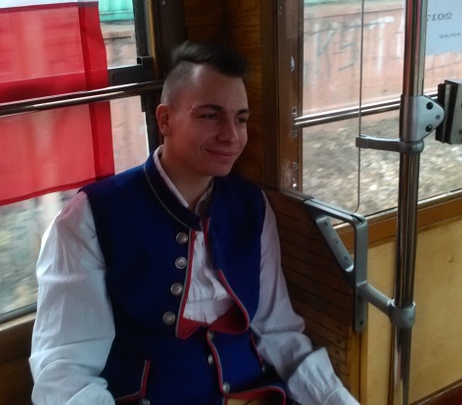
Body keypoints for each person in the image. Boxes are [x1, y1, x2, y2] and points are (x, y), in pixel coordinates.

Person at [29, 41, 359, 405]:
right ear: (165, 120)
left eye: (241, 119)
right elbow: (65, 370)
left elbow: (278, 331)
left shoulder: (252, 206)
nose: (231, 135)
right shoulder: (90, 217)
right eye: (210, 116)